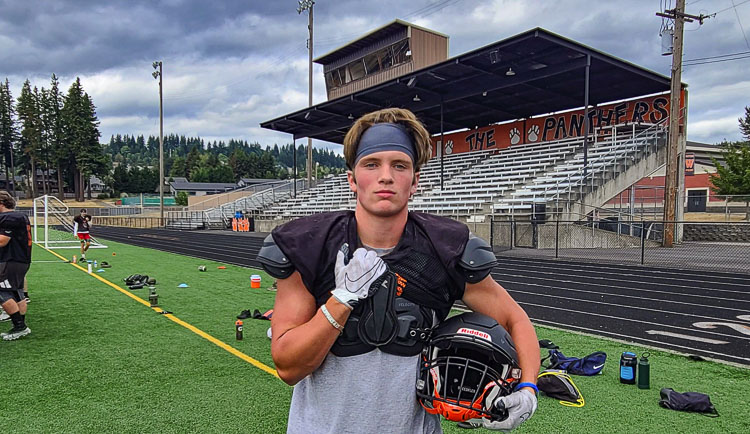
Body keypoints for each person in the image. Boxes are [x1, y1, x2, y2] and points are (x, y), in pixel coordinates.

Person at [257, 108, 540, 433]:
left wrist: (528, 389)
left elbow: (514, 319)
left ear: (415, 180)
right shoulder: (312, 245)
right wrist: (342, 299)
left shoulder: (443, 248)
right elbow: (289, 366)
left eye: (399, 165)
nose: (386, 176)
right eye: (372, 164)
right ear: (352, 178)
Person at [0, 191, 32, 341]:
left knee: (2, 292)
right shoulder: (20, 216)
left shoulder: (8, 217)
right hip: (21, 259)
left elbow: (2, 241)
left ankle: (20, 326)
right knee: (17, 292)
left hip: (11, 260)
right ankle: (20, 325)